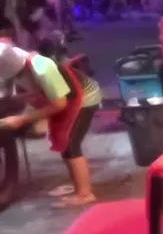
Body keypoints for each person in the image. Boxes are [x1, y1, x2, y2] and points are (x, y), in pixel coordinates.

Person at [0, 31, 101, 206]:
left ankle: (84, 193)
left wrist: (22, 119)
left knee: (70, 144)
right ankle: (77, 184)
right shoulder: (16, 60)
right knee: (64, 143)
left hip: (85, 96)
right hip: (66, 95)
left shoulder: (42, 68)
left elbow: (59, 104)